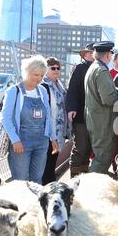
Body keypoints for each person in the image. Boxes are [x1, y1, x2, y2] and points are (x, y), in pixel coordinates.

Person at [1, 55, 58, 184]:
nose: (39, 79)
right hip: (21, 141)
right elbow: (6, 118)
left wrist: (52, 137)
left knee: (37, 179)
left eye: (41, 75)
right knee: (20, 180)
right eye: (35, 74)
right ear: (26, 72)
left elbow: (48, 116)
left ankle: (35, 204)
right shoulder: (13, 91)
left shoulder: (42, 91)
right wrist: (15, 140)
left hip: (42, 142)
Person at [84, 41, 118, 174]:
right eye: (111, 53)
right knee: (102, 158)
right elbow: (109, 99)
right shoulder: (102, 70)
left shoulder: (93, 67)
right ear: (107, 55)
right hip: (102, 121)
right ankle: (94, 189)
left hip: (95, 118)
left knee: (100, 156)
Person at [65, 43, 95, 177]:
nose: (91, 54)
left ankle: (83, 176)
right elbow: (72, 89)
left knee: (88, 148)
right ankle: (74, 178)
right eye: (89, 52)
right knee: (81, 147)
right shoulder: (79, 68)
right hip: (80, 116)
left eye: (93, 52)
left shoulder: (98, 68)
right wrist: (71, 108)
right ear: (85, 55)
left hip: (94, 117)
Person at [41, 57, 70, 185]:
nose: (56, 70)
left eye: (58, 68)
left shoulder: (59, 86)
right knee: (46, 163)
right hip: (47, 132)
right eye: (53, 68)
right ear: (46, 69)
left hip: (58, 132)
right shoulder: (43, 86)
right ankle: (47, 186)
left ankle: (50, 183)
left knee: (52, 161)